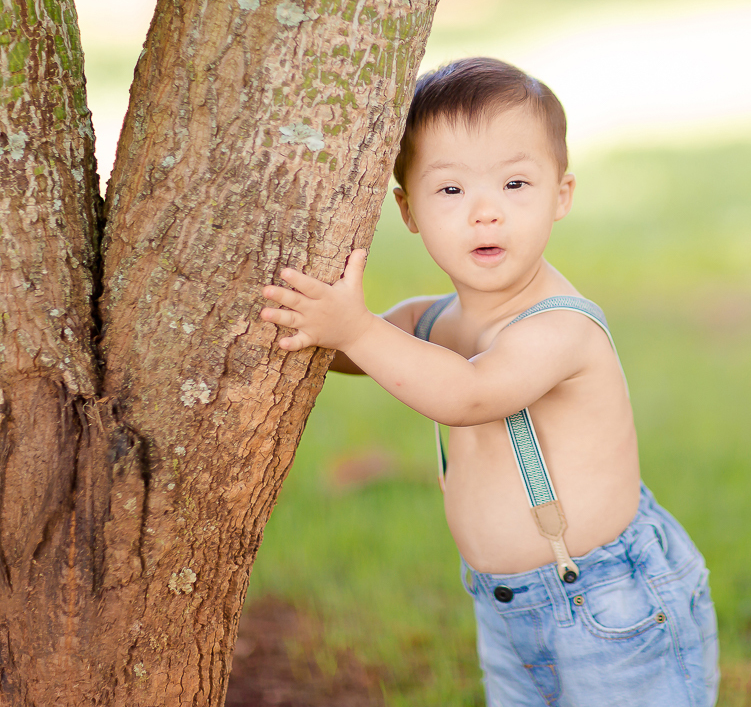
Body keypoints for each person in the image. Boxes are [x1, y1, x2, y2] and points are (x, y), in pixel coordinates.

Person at [260, 57, 719, 706]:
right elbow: (355, 353)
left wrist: (353, 328)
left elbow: (468, 394)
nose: (485, 213)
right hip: (507, 606)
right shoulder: (432, 320)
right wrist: (321, 328)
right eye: (450, 191)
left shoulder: (557, 331)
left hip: (605, 602)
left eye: (515, 184)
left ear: (561, 194)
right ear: (409, 208)